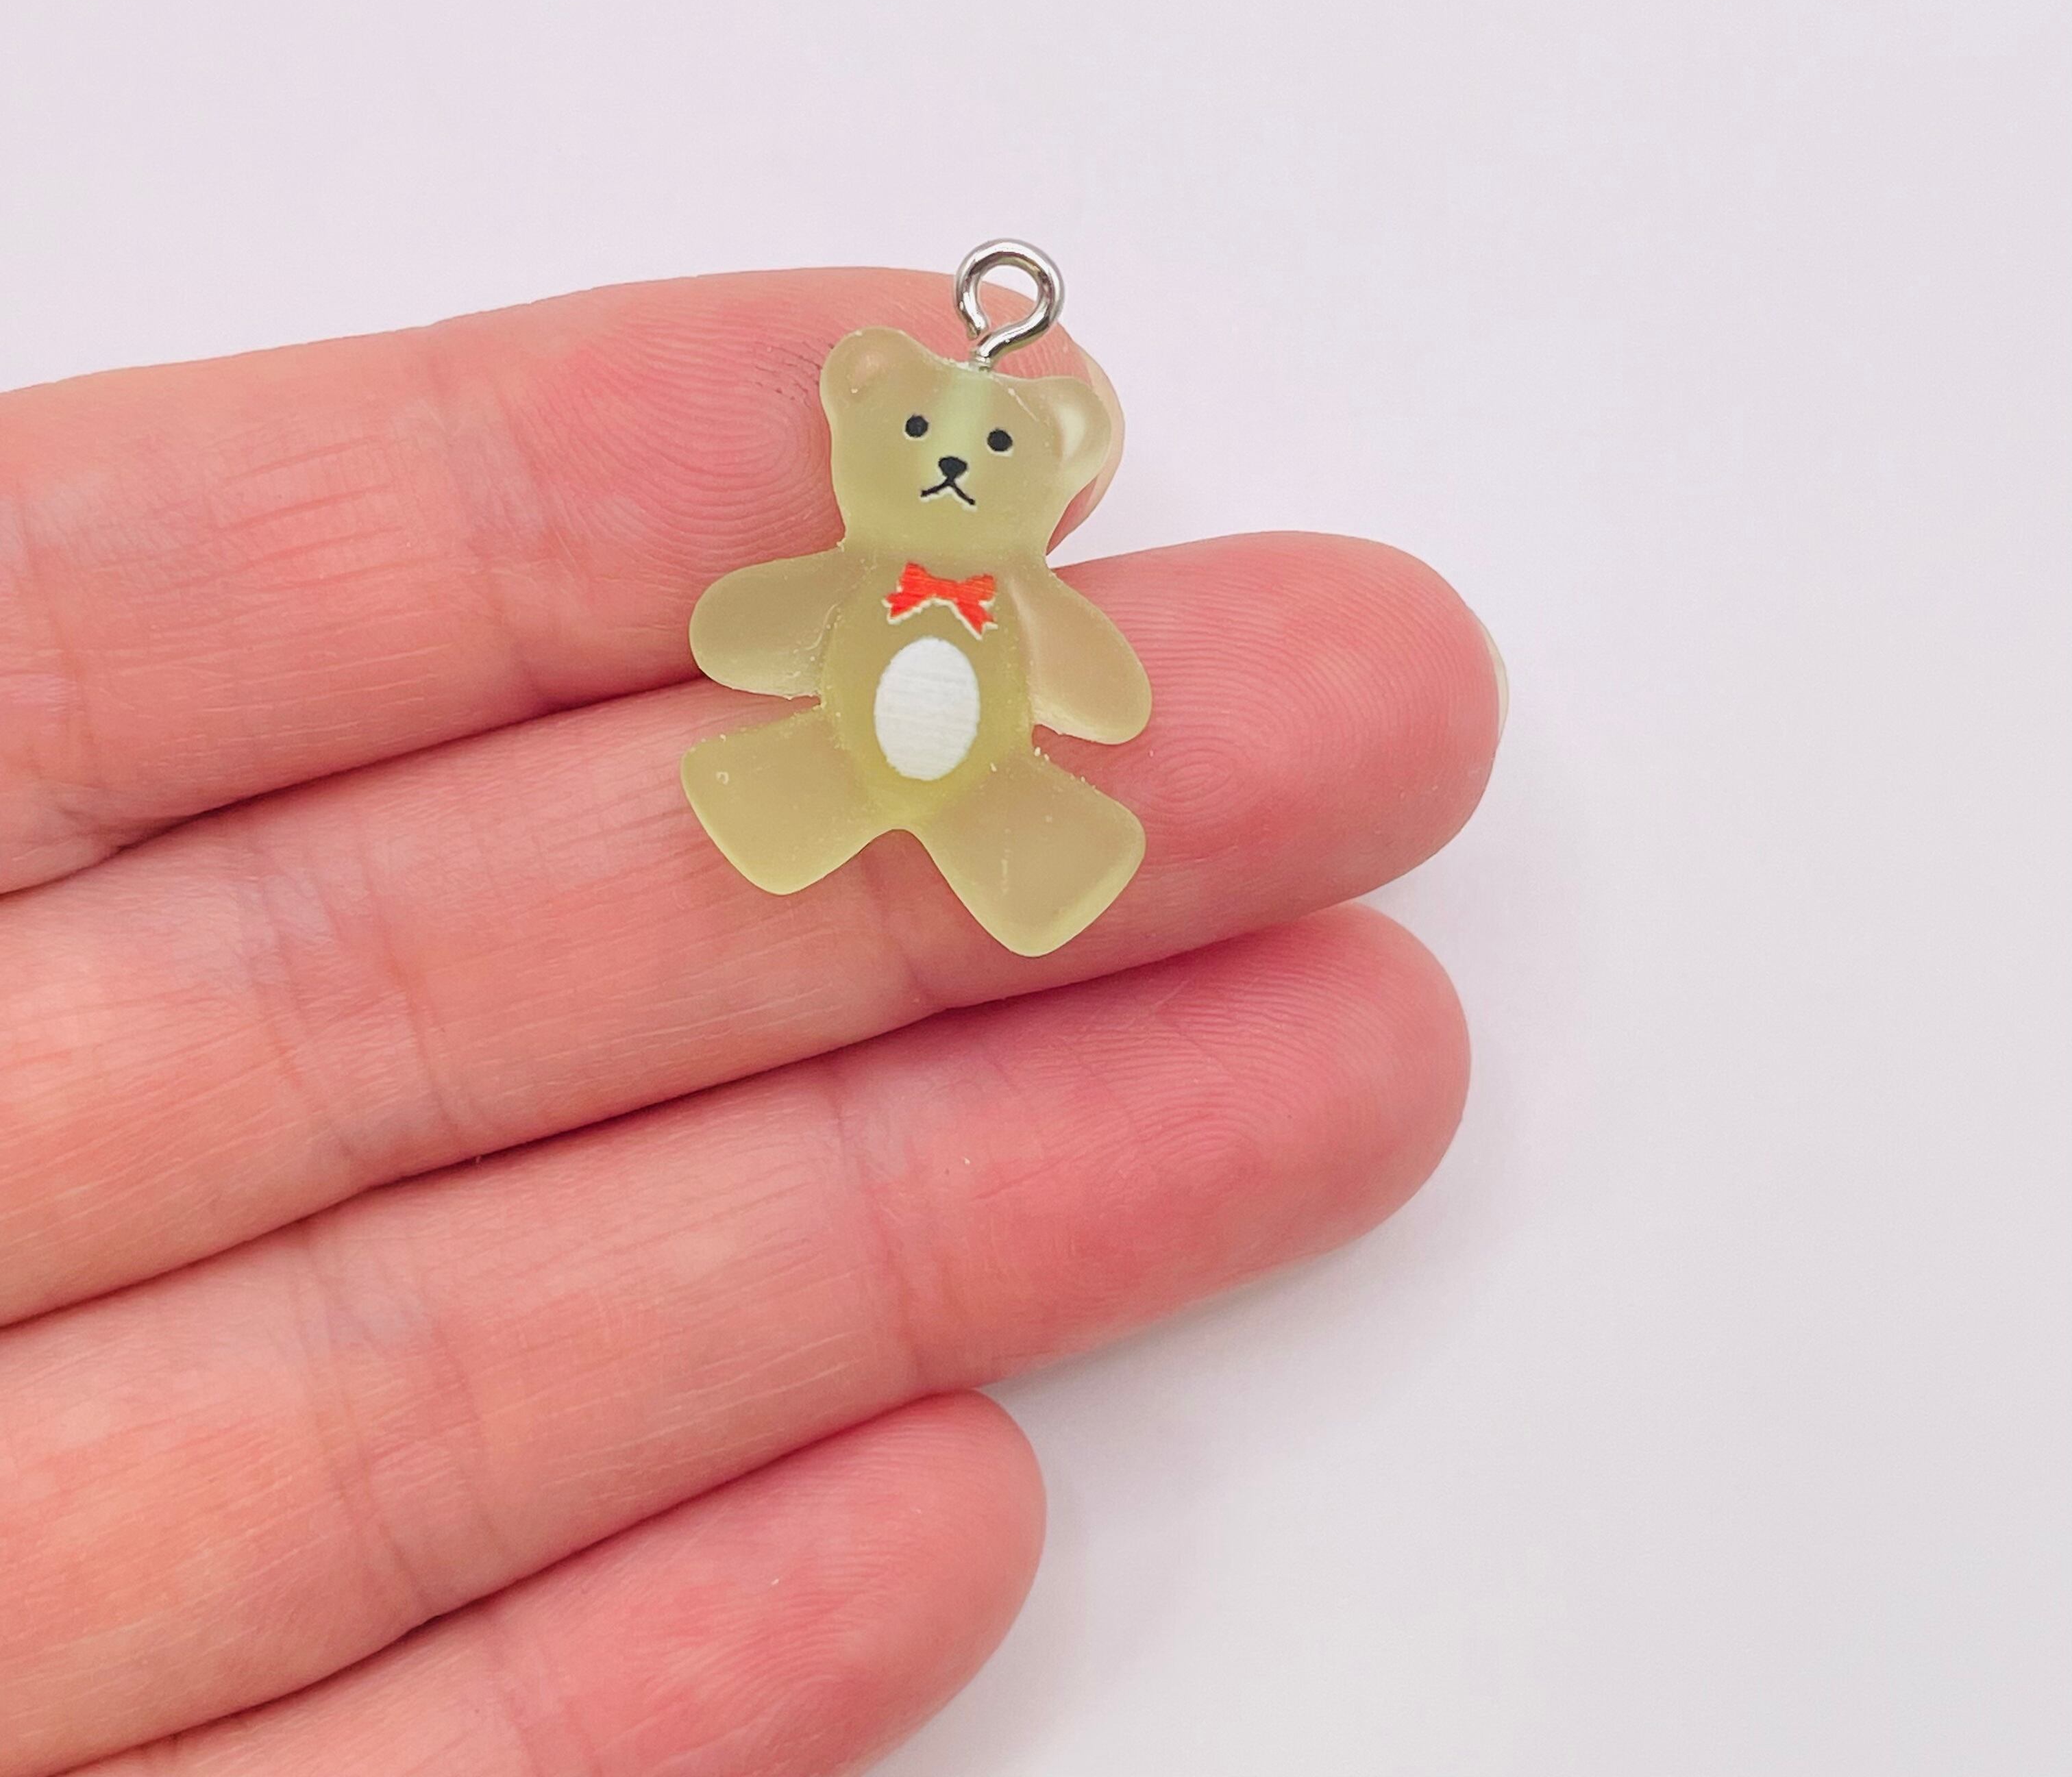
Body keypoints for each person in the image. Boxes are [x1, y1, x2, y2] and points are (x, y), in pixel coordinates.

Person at [0, 268, 1502, 1776]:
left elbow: (1103, 698)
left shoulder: (1015, 597)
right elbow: (749, 629)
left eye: (994, 451)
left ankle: (996, 835)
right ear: (861, 417)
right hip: (841, 750)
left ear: (1056, 459)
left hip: (984, 773)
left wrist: (1072, 680)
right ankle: (840, 809)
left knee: (1019, 839)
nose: (952, 469)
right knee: (803, 797)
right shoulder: (869, 568)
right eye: (922, 436)